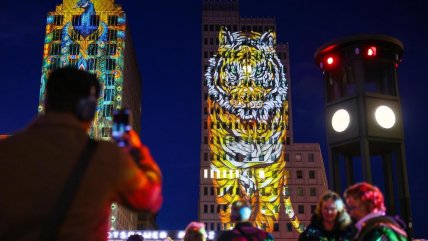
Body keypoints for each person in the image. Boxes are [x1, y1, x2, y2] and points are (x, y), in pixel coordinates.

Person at [0, 67, 163, 241]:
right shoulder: (106, 157)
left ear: (47, 102)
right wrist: (134, 148)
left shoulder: (7, 151)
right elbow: (150, 198)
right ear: (89, 109)